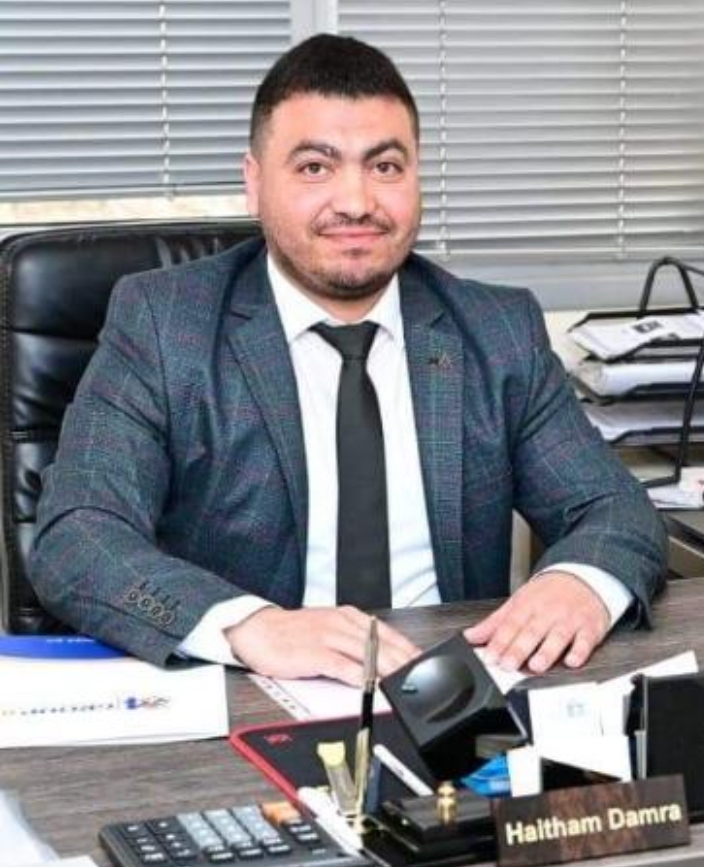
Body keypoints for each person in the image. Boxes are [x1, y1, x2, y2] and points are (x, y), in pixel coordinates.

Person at [29, 34, 667, 685]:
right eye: (315, 167)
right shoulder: (166, 323)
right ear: (254, 182)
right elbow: (77, 535)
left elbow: (614, 510)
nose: (357, 202)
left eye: (385, 166)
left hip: (447, 696)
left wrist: (580, 582)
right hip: (252, 694)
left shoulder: (497, 330)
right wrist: (250, 626)